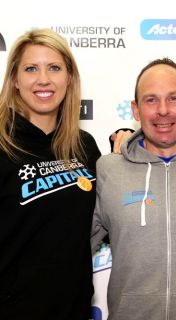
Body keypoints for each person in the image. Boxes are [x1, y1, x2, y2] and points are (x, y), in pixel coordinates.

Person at [91, 57, 176, 320]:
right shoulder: (109, 170)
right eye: (151, 100)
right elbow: (67, 248)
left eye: (173, 98)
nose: (163, 110)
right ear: (135, 109)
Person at [0, 28, 101, 320]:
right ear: (15, 80)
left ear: (69, 78)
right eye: (31, 69)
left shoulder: (85, 147)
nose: (43, 79)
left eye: (54, 68)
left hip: (75, 310)